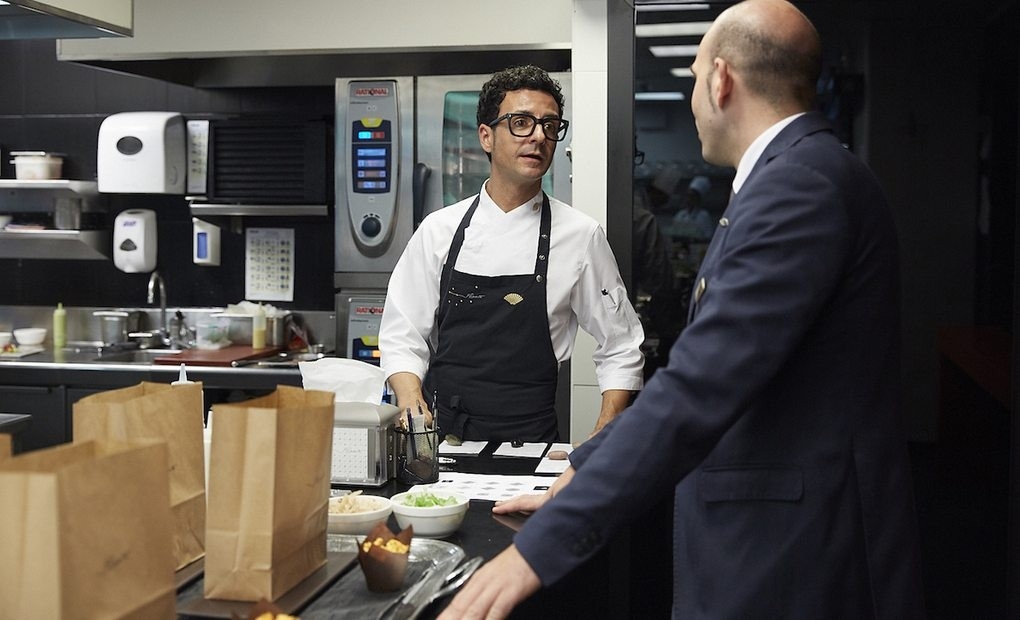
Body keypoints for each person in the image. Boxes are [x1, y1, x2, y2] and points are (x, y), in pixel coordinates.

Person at [439, 1, 926, 618]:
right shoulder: (797, 175)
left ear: (721, 80)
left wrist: (542, 547)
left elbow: (702, 383)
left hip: (794, 554)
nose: (696, 96)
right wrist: (583, 472)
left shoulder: (800, 185)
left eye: (695, 78)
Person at [379, 65, 645, 443]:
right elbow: (402, 334)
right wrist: (409, 398)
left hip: (531, 441)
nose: (538, 136)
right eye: (521, 122)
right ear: (486, 136)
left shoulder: (579, 236)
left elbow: (621, 345)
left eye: (550, 126)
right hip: (440, 444)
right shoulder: (439, 230)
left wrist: (604, 433)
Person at [671, 174, 715, 239]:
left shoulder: (703, 216)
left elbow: (708, 237)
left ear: (698, 199)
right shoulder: (680, 215)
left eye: (692, 196)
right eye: (687, 195)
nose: (688, 199)